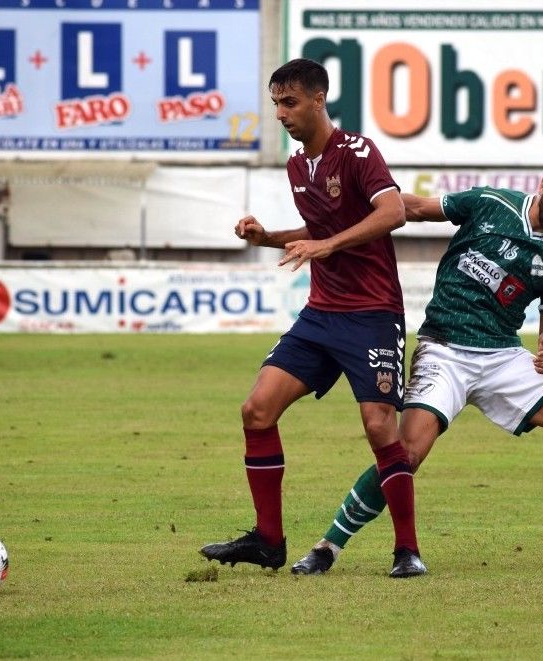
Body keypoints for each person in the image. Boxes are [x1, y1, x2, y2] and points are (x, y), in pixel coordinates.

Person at [289, 151, 543, 575]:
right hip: (443, 350)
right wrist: (354, 213)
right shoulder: (491, 204)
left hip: (502, 356)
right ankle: (327, 549)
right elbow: (410, 208)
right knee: (405, 454)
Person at [198, 58, 426, 578]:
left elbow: (392, 213)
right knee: (256, 409)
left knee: (379, 427)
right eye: (276, 103)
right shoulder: (299, 166)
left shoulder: (359, 152)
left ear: (318, 100)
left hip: (372, 312)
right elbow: (318, 226)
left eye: (290, 102)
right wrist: (269, 237)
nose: (280, 113)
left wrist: (327, 244)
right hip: (321, 314)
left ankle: (407, 550)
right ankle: (268, 541)